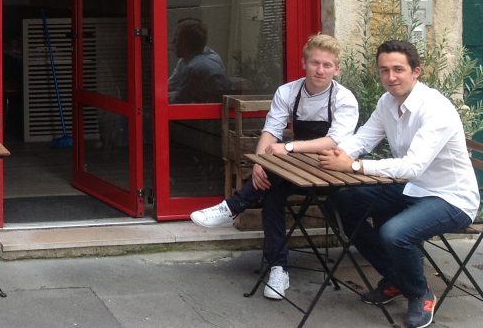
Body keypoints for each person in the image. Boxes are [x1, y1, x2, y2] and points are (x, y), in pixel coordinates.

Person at [317, 39, 479, 328]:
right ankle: (396, 277)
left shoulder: (435, 110)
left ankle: (420, 293)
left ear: (416, 72)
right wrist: (343, 153)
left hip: (450, 197)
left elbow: (414, 165)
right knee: (339, 204)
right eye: (384, 70)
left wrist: (353, 166)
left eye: (398, 70)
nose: (390, 78)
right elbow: (366, 136)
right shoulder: (387, 102)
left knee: (394, 233)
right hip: (411, 187)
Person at [189, 33, 358, 301]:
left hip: (329, 170)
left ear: (337, 69)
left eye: (327, 65)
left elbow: (333, 140)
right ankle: (279, 269)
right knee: (271, 192)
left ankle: (231, 207)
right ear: (304, 63)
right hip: (295, 169)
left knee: (273, 183)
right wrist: (259, 163)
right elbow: (271, 131)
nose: (320, 70)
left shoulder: (344, 99)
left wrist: (289, 148)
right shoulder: (289, 91)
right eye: (315, 63)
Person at [167, 18, 230, 104]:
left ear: (185, 44)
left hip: (209, 114)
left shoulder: (196, 68)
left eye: (176, 38)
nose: (173, 42)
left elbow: (180, 100)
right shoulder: (188, 59)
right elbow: (171, 85)